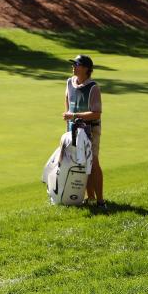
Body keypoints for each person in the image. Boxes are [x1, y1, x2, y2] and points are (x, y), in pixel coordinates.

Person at [61, 54, 105, 207]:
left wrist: (73, 115)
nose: (73, 66)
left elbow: (96, 113)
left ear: (86, 69)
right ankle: (90, 197)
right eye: (73, 64)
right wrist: (69, 119)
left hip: (91, 130)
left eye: (77, 64)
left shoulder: (93, 87)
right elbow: (68, 101)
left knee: (92, 164)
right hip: (73, 130)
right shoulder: (69, 82)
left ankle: (100, 201)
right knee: (81, 162)